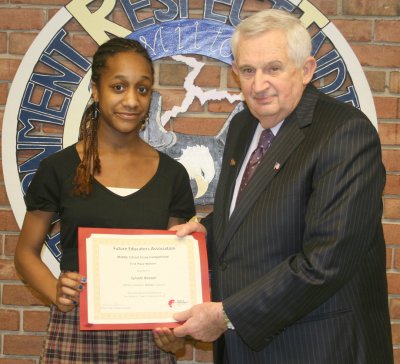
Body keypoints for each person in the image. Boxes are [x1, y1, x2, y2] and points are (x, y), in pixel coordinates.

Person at [155, 9, 394, 364]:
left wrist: (225, 316)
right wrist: (204, 231)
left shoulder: (344, 133)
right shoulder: (242, 129)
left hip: (318, 347)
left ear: (307, 70)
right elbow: (255, 208)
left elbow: (325, 262)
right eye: (248, 70)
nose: (258, 84)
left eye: (274, 68)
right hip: (245, 349)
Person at [14, 37, 195, 363]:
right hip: (76, 329)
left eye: (142, 89)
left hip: (149, 335)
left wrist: (175, 333)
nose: (131, 100)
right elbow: (25, 253)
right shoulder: (58, 169)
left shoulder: (173, 176)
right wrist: (55, 290)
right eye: (118, 87)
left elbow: (175, 269)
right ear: (96, 91)